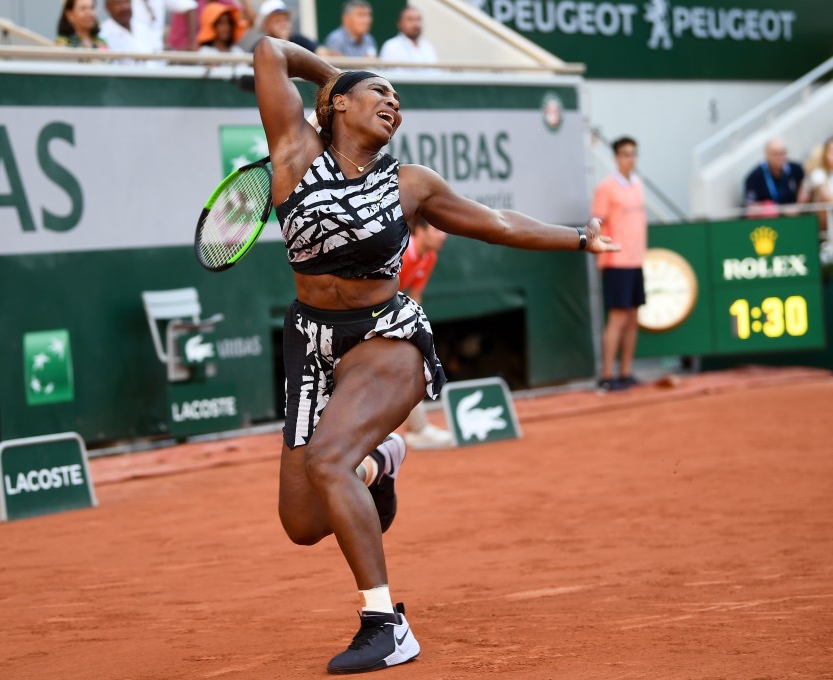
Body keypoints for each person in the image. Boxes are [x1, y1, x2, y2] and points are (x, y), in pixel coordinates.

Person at [251, 36, 616, 673]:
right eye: (379, 93)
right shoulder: (293, 150)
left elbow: (498, 223)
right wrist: (341, 77)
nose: (393, 102)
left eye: (399, 98)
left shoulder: (411, 184)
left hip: (386, 337)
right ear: (337, 105)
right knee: (302, 522)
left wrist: (579, 238)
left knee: (328, 460)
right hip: (309, 342)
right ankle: (380, 465)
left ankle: (386, 624)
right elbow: (269, 52)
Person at [591, 137, 648, 392]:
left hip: (636, 261)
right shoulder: (605, 188)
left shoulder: (638, 185)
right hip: (616, 261)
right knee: (617, 318)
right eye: (625, 154)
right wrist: (600, 257)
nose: (630, 159)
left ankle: (626, 372)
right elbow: (597, 224)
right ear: (616, 157)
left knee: (633, 317)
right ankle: (606, 375)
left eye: (633, 154)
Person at [398, 218, 454, 449]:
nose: (443, 236)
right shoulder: (399, 254)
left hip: (392, 314)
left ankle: (417, 429)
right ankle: (418, 429)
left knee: (409, 364)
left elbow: (415, 296)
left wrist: (415, 330)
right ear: (419, 231)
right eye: (437, 230)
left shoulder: (429, 257)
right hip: (364, 316)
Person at [743, 138, 804, 218]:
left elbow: (803, 193)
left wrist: (798, 207)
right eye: (775, 154)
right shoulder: (754, 176)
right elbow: (750, 206)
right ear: (766, 155)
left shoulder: (796, 169)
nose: (780, 157)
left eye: (782, 153)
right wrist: (768, 208)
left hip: (793, 218)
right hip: (768, 222)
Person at [167, 0, 252, 51]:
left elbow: (249, 21)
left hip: (213, 55)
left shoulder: (225, 2)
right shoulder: (187, 4)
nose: (226, 27)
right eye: (220, 23)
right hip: (183, 56)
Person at [241, 0, 319, 53]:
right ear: (266, 27)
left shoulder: (300, 41)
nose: (284, 24)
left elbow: (322, 53)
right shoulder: (260, 47)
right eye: (277, 21)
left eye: (285, 19)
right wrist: (283, 41)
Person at [378, 6, 439, 73]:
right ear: (399, 24)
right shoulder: (391, 46)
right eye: (410, 20)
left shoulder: (427, 46)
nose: (415, 24)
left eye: (418, 19)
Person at [797, 137, 833, 232]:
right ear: (825, 154)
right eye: (831, 152)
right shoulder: (818, 173)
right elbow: (827, 197)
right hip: (823, 223)